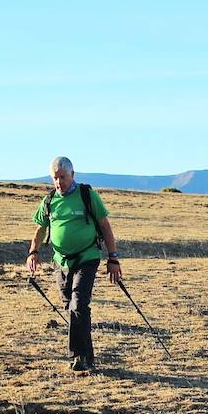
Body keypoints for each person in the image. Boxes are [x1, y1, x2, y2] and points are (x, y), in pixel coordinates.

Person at [25, 157, 122, 372]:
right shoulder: (49, 201)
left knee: (78, 304)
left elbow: (105, 226)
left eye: (62, 177)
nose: (59, 182)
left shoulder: (87, 195)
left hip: (87, 257)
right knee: (71, 307)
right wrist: (34, 251)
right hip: (61, 262)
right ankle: (87, 355)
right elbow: (40, 228)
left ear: (72, 175)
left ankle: (77, 357)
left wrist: (112, 257)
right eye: (55, 178)